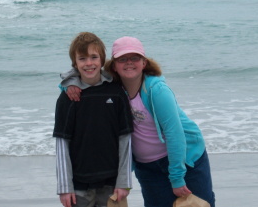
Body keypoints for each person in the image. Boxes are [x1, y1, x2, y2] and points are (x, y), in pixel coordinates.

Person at [61, 36, 215, 207]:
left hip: (185, 160)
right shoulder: (113, 89)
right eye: (122, 59)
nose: (129, 63)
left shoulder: (156, 90)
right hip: (147, 167)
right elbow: (87, 78)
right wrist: (70, 84)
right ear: (114, 65)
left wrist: (177, 177)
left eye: (135, 58)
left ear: (144, 63)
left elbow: (175, 135)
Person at [53, 32, 134, 207]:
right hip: (79, 185)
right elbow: (62, 143)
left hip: (112, 183)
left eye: (94, 57)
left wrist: (124, 182)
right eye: (82, 58)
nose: (89, 63)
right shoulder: (68, 97)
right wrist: (65, 187)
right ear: (75, 63)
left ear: (102, 60)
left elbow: (125, 139)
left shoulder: (116, 92)